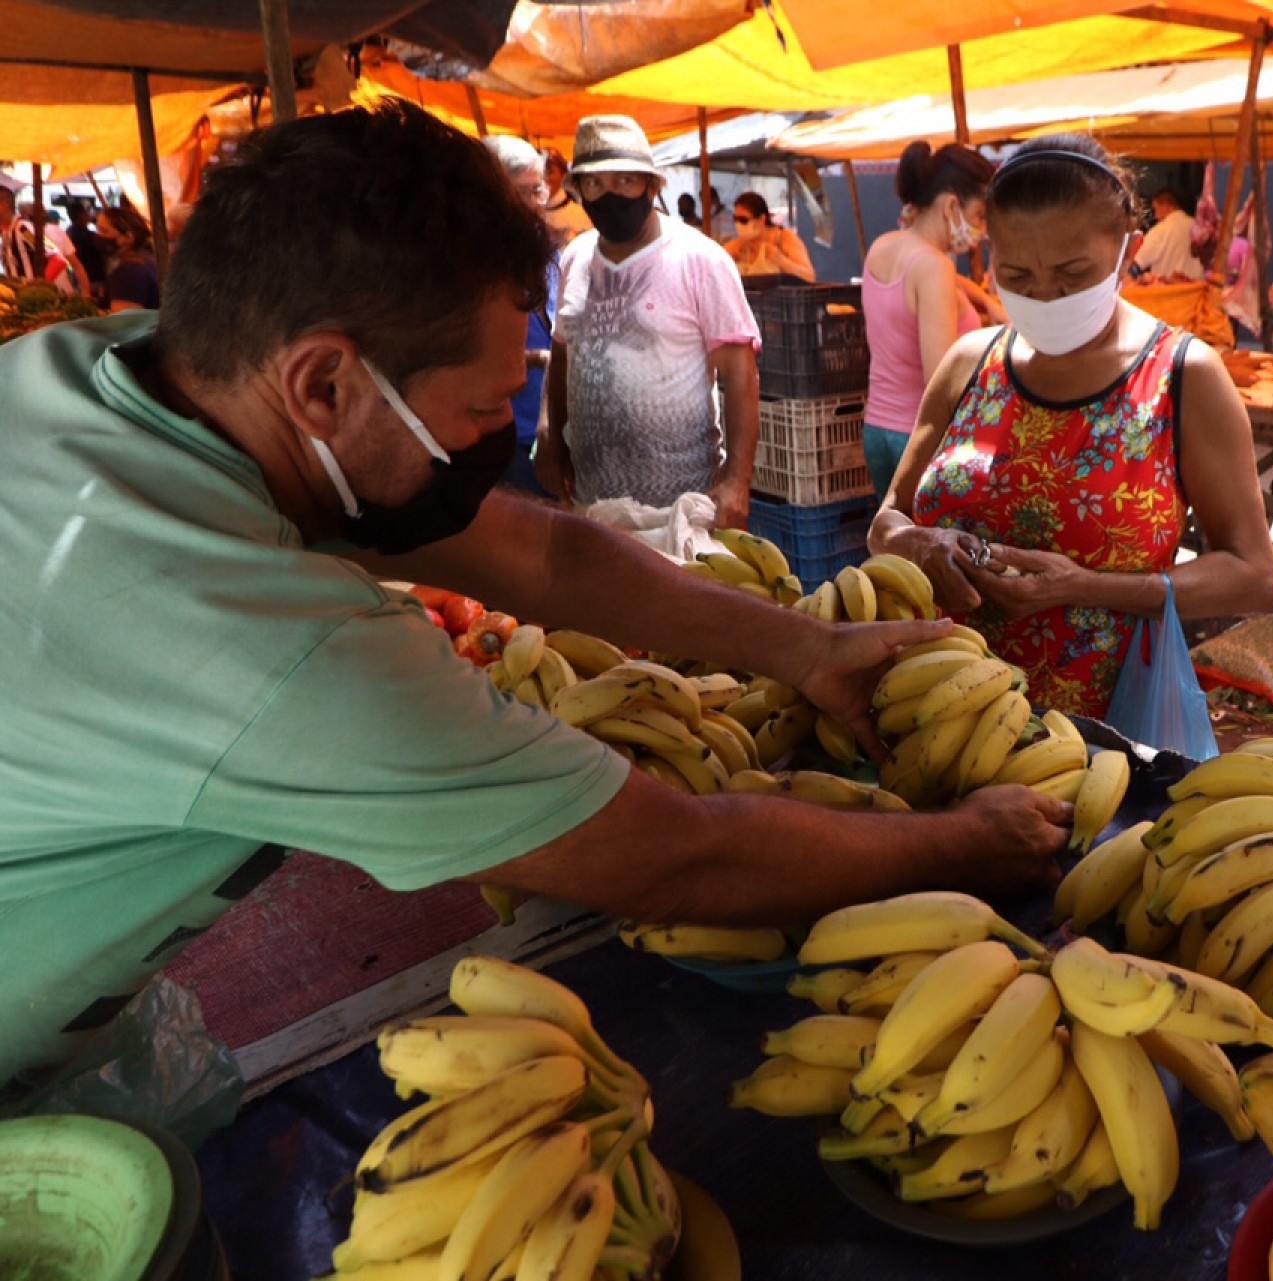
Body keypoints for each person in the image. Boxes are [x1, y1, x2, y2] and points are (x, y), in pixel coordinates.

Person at [0, 101, 1067, 1096]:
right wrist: (966, 841)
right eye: (477, 408)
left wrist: (803, 649)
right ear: (324, 383)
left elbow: (544, 560)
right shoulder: (267, 648)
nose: (488, 445)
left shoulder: (93, 368)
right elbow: (680, 857)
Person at [868, 135, 1273, 718]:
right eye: (1017, 274)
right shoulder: (969, 363)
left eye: (1072, 274)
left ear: (1125, 249)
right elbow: (888, 518)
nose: (1044, 295)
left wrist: (1084, 586)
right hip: (936, 715)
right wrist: (919, 541)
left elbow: (1254, 577)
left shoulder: (1183, 379)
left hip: (1101, 742)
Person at [537, 116, 761, 530]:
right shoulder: (575, 258)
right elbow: (562, 353)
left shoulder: (701, 260)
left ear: (652, 187)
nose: (610, 195)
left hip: (681, 512)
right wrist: (550, 433)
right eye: (595, 184)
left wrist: (736, 481)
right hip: (591, 506)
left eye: (625, 181)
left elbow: (740, 373)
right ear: (579, 193)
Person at [859, 141, 997, 496]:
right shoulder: (934, 267)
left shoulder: (883, 247)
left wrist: (982, 299)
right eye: (980, 215)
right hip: (918, 439)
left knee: (893, 544)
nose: (982, 230)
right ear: (952, 205)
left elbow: (926, 283)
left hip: (877, 430)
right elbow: (942, 377)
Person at [481, 135, 560, 499]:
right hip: (496, 435)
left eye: (537, 192)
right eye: (520, 194)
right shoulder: (475, 265)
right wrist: (535, 359)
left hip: (551, 435)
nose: (532, 205)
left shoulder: (552, 259)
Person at [724, 191, 815, 281]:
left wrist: (781, 261)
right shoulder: (739, 244)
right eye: (735, 219)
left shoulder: (784, 238)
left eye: (743, 220)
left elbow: (809, 276)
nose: (738, 224)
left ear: (762, 219)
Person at [95, 204, 161, 312]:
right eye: (98, 230)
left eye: (104, 231)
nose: (99, 236)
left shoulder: (129, 273)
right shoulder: (148, 261)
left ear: (128, 238)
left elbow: (123, 323)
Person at [1131, 187, 1203, 281]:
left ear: (1166, 205)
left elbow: (1137, 263)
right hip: (1197, 292)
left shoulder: (1160, 230)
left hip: (1166, 292)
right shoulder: (1199, 228)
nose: (1156, 216)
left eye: (1156, 209)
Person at [541, 148, 593, 245]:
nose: (543, 177)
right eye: (540, 171)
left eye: (549, 171)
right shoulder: (527, 213)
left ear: (563, 175)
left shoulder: (581, 215)